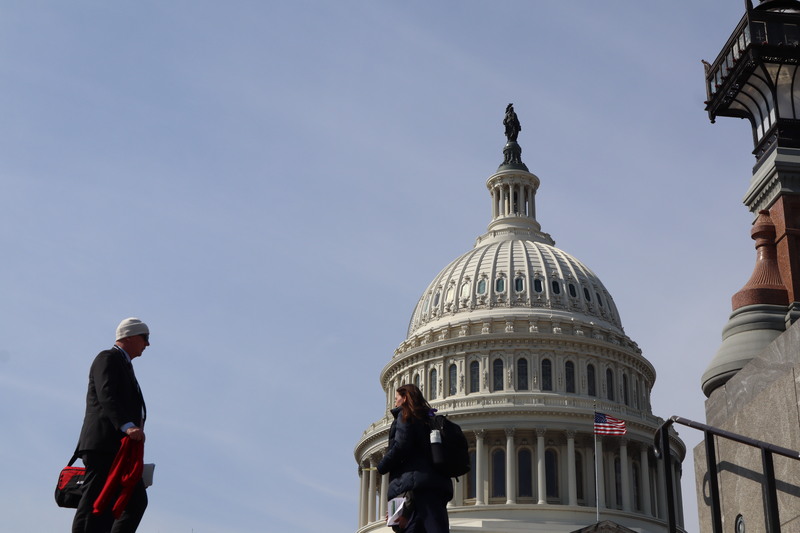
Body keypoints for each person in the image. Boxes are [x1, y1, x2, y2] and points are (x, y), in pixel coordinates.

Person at [72, 318, 150, 533]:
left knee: (134, 501)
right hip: (103, 443)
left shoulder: (125, 365)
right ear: (131, 336)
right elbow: (106, 395)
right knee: (95, 499)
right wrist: (127, 426)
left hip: (120, 448)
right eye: (145, 338)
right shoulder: (107, 358)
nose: (147, 344)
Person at [377, 384, 452, 533]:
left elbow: (401, 445)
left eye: (397, 398)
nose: (395, 403)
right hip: (436, 486)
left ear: (405, 398)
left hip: (415, 489)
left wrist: (383, 465)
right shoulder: (430, 419)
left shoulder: (405, 416)